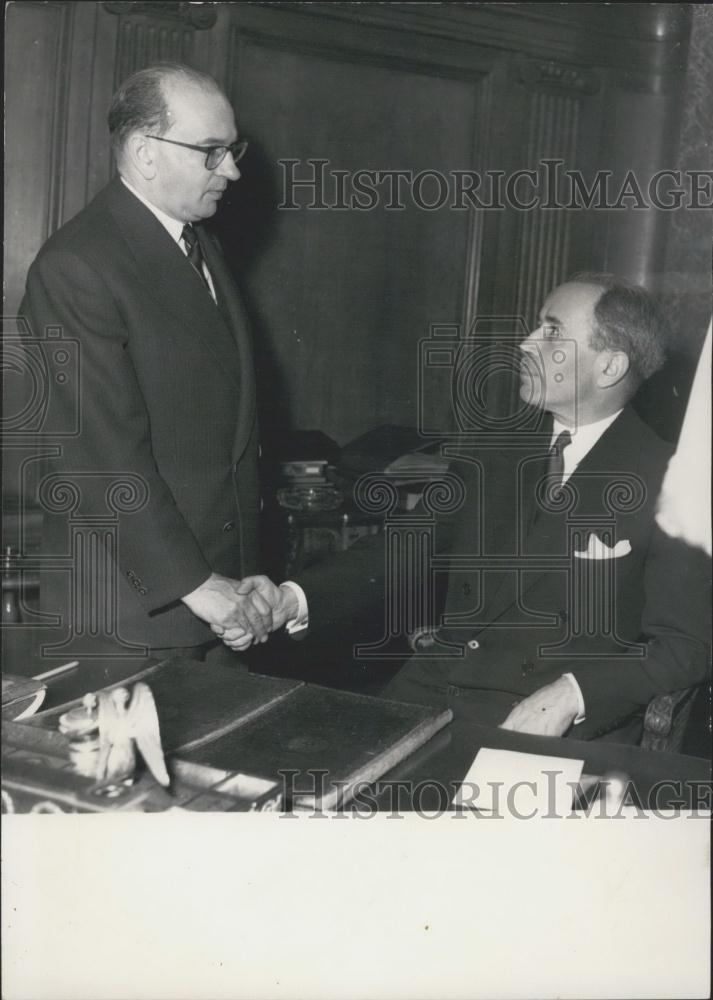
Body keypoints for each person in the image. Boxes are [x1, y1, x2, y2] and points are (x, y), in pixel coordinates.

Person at [225, 276, 710, 741]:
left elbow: (683, 646)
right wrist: (293, 598)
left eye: (553, 331)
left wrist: (573, 695)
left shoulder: (672, 479)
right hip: (436, 694)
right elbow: (405, 547)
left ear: (610, 366)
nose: (525, 343)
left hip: (553, 721)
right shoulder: (493, 453)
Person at [21, 63, 303, 660]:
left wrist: (244, 577)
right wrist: (199, 586)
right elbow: (99, 455)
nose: (232, 170)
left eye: (233, 150)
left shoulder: (201, 243)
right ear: (146, 153)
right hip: (133, 614)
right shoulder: (78, 265)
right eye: (211, 151)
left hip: (216, 602)